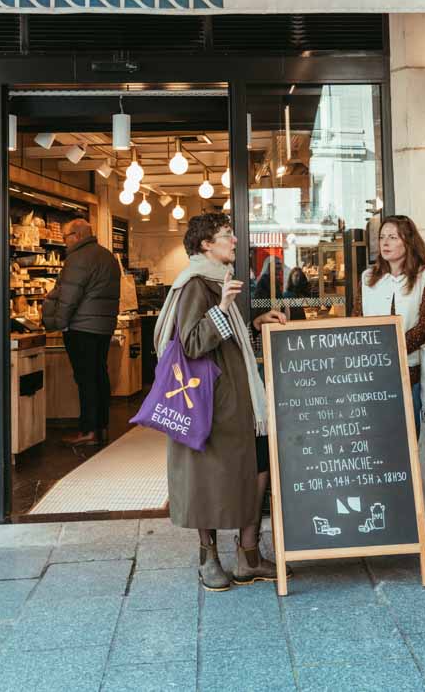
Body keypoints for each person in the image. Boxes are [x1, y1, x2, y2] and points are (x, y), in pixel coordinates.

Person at [154, 213, 287, 591]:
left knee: (257, 465)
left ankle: (249, 554)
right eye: (226, 235)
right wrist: (223, 308)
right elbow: (194, 342)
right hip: (209, 399)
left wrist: (255, 324)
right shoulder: (195, 284)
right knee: (206, 476)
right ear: (205, 245)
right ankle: (208, 556)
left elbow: (225, 338)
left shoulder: (218, 281)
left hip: (236, 398)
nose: (234, 241)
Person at [353, 215, 425, 432]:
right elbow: (357, 320)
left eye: (393, 237)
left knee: (407, 434)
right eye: (382, 237)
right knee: (376, 435)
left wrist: (390, 351)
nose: (385, 242)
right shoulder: (367, 277)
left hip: (408, 372)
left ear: (408, 241)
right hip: (372, 372)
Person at [41, 218, 122, 446]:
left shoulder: (77, 258)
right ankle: (101, 426)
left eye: (65, 237)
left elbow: (68, 298)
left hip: (81, 327)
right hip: (103, 327)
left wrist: (56, 323)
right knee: (99, 375)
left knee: (86, 378)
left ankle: (88, 431)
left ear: (76, 235)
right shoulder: (107, 256)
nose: (64, 243)